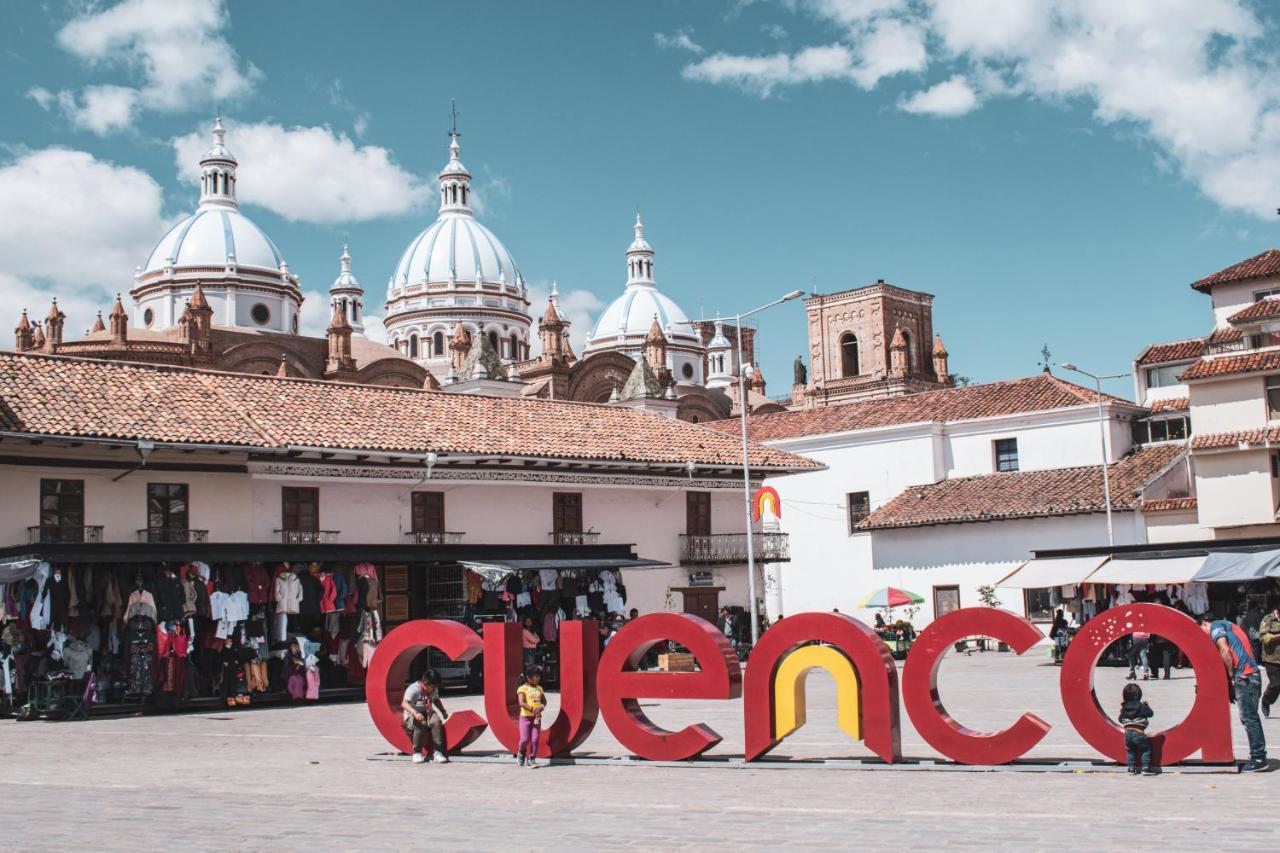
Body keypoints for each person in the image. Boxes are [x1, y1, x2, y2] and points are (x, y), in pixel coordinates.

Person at [1199, 614, 1267, 772]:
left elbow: (1224, 649)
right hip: (1250, 675)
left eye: (1201, 630)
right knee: (1250, 717)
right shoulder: (1228, 625)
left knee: (1249, 718)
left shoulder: (1216, 626)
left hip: (1244, 676)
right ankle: (1258, 755)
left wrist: (1230, 675)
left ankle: (1259, 758)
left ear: (1204, 623)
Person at [401, 668, 449, 765]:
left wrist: (443, 711)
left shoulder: (433, 688)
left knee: (436, 721)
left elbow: (436, 700)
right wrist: (415, 713)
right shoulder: (413, 689)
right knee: (420, 723)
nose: (435, 689)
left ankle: (437, 752)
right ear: (425, 683)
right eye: (432, 687)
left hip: (427, 712)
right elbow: (404, 704)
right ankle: (417, 753)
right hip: (412, 714)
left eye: (436, 686)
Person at [1119, 683, 1156, 775]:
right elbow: (1150, 714)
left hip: (1127, 733)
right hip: (1139, 733)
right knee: (1145, 750)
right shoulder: (1141, 706)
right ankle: (1145, 768)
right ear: (1139, 695)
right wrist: (1146, 705)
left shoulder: (1124, 708)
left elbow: (1120, 719)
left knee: (1130, 751)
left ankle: (1131, 768)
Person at [516, 667, 546, 768]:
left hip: (536, 718)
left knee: (535, 739)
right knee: (524, 739)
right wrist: (532, 709)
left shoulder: (539, 688)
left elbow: (544, 701)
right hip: (525, 718)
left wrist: (541, 708)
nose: (538, 678)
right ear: (528, 677)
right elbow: (521, 703)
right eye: (536, 676)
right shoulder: (522, 688)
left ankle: (532, 758)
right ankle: (521, 752)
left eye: (539, 676)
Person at [1260, 595, 1280, 718]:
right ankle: (1266, 701)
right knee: (1276, 684)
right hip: (1272, 659)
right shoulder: (1268, 619)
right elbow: (1264, 638)